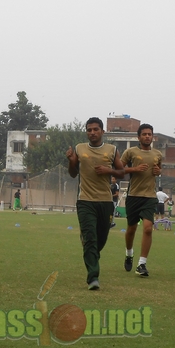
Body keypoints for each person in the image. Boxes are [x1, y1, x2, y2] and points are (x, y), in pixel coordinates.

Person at [66, 117, 125, 290]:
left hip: (106, 202)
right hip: (85, 200)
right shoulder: (79, 148)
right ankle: (93, 277)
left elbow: (122, 172)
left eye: (95, 129)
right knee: (90, 237)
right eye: (89, 130)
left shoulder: (112, 150)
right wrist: (71, 160)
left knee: (101, 238)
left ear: (102, 131)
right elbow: (72, 173)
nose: (92, 132)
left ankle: (91, 253)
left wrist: (109, 171)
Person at [121, 123, 163, 277]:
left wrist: (159, 171)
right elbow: (119, 169)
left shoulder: (157, 154)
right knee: (131, 229)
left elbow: (158, 169)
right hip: (133, 196)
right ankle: (129, 253)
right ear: (138, 137)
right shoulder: (130, 152)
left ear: (152, 136)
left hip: (150, 197)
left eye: (149, 134)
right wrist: (134, 169)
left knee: (147, 228)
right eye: (144, 134)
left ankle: (142, 264)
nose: (147, 136)